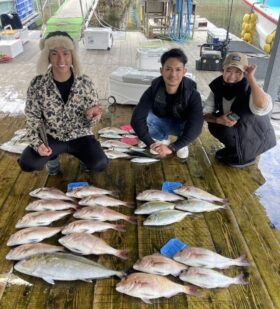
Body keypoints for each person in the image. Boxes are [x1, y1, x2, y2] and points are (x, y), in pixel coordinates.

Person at [18, 31, 108, 175]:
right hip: (52, 137)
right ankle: (52, 158)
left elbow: (92, 122)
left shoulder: (85, 82)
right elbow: (32, 118)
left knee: (100, 163)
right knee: (27, 163)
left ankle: (85, 159)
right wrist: (38, 144)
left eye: (66, 53)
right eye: (54, 53)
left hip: (80, 135)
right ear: (47, 56)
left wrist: (92, 116)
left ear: (73, 56)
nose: (61, 59)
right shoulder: (37, 84)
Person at [203, 52, 276, 168]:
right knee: (214, 126)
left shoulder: (252, 87)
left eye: (238, 72)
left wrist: (251, 78)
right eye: (228, 71)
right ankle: (233, 150)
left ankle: (247, 156)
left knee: (227, 130)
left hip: (254, 134)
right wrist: (218, 120)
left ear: (245, 73)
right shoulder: (218, 85)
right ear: (223, 70)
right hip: (235, 129)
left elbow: (262, 106)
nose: (232, 77)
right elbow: (206, 112)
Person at [131, 48, 203, 159]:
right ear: (161, 70)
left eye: (178, 69)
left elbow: (196, 126)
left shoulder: (193, 94)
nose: (173, 74)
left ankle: (181, 144)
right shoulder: (153, 89)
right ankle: (160, 139)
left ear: (184, 71)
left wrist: (173, 147)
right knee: (146, 117)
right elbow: (136, 119)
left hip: (182, 127)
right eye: (168, 69)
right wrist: (150, 143)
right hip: (161, 123)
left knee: (192, 123)